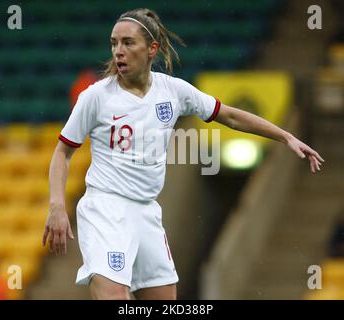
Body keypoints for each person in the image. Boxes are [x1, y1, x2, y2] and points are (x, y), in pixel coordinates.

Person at [42, 8, 325, 300]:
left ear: (152, 49)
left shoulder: (173, 92)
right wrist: (57, 205)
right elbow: (63, 152)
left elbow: (229, 115)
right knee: (116, 297)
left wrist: (285, 135)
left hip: (147, 211)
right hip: (106, 208)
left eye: (128, 42)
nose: (118, 51)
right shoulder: (96, 97)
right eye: (114, 43)